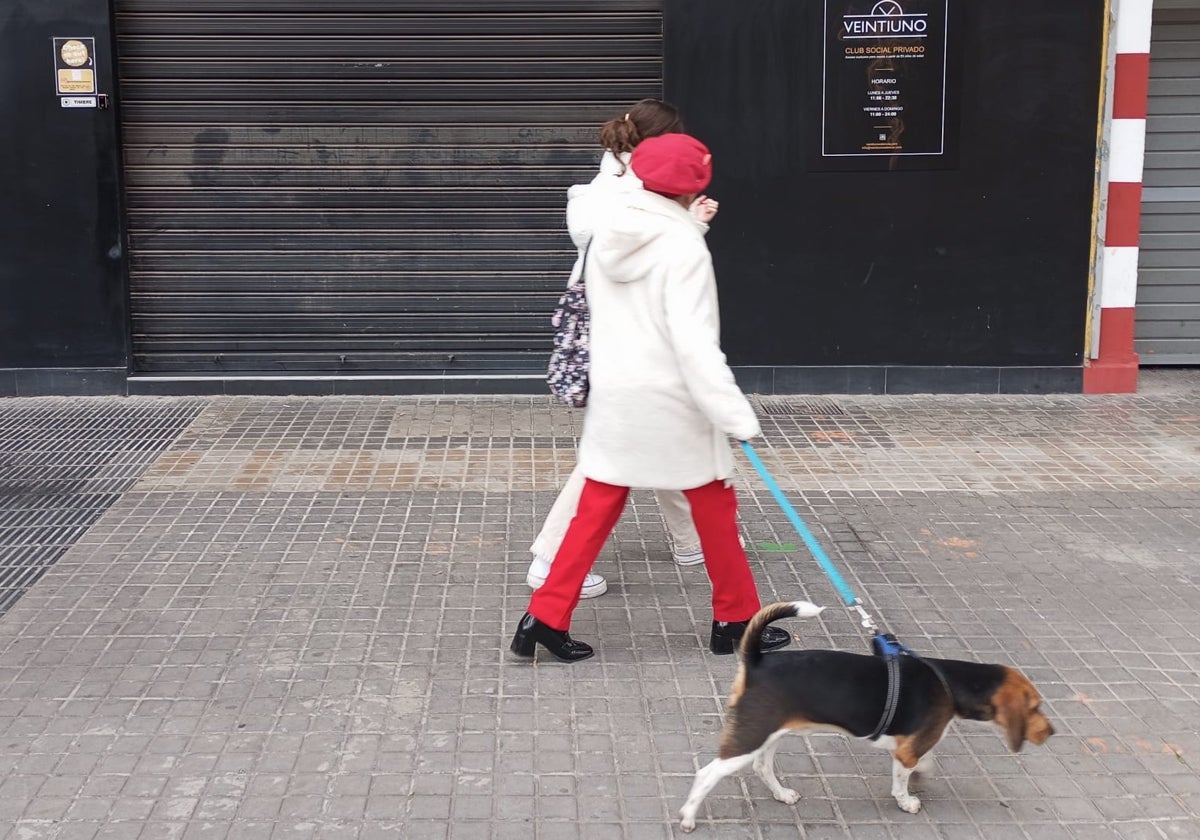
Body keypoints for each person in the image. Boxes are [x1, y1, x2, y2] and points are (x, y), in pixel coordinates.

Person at [510, 133, 791, 663]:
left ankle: (543, 619)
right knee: (714, 509)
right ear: (695, 186)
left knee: (594, 512)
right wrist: (735, 415)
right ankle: (734, 620)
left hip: (618, 399)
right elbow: (694, 345)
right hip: (673, 404)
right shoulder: (683, 246)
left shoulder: (611, 231)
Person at [527, 99, 724, 600]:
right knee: (610, 456)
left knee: (667, 432)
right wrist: (692, 224)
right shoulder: (635, 192)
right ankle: (550, 559)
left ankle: (689, 541)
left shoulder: (603, 186)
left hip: (615, 329)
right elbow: (647, 265)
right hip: (630, 334)